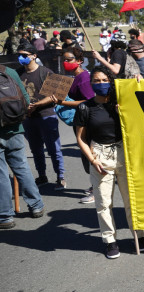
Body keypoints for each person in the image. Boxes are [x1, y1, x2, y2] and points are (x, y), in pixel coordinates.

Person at [75, 67, 144, 259]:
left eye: (104, 80)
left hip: (124, 153)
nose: (101, 84)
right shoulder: (85, 107)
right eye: (96, 81)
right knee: (103, 202)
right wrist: (92, 159)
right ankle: (110, 241)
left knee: (131, 199)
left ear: (112, 80)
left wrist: (137, 82)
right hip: (99, 154)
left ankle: (138, 236)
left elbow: (142, 103)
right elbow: (80, 138)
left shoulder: (121, 102)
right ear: (91, 83)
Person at [15, 41, 66, 189]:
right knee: (36, 149)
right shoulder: (17, 73)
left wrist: (37, 104)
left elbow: (57, 95)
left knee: (53, 149)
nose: (21, 57)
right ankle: (42, 176)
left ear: (34, 56)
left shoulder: (47, 72)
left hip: (46, 116)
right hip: (28, 118)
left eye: (24, 55)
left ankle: (60, 176)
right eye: (19, 55)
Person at [0, 62, 45, 229]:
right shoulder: (8, 71)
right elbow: (25, 99)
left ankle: (5, 215)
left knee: (1, 174)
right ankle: (36, 205)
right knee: (22, 167)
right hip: (15, 128)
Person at [56, 46, 96, 203]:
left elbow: (89, 101)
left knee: (90, 155)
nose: (66, 62)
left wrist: (63, 102)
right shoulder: (73, 77)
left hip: (87, 122)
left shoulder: (84, 78)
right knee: (86, 155)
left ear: (79, 61)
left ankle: (96, 190)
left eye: (69, 59)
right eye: (64, 60)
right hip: (79, 121)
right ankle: (94, 185)